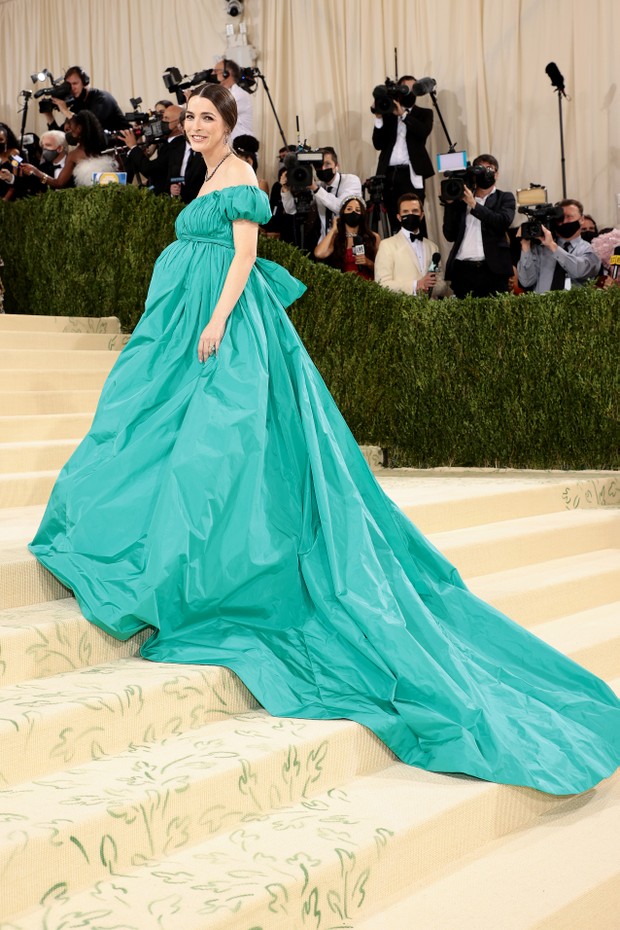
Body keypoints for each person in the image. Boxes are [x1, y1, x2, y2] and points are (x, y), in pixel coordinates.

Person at [29, 84, 620, 797]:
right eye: (191, 117)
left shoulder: (240, 176)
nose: (196, 125)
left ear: (230, 123)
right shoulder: (202, 172)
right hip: (181, 326)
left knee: (225, 452)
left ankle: (214, 564)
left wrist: (216, 322)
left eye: (208, 117)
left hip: (226, 328)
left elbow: (243, 258)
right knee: (150, 434)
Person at [442, 154, 515, 298]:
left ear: (497, 174)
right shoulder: (461, 199)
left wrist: (473, 204)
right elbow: (449, 235)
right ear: (474, 174)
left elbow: (502, 221)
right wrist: (450, 205)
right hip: (463, 270)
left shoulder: (505, 197)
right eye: (480, 169)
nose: (485, 172)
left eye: (489, 169)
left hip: (493, 271)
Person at [372, 74, 434, 233]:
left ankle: (421, 252)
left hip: (411, 174)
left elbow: (422, 132)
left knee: (414, 218)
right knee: (394, 217)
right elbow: (378, 144)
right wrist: (379, 117)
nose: (410, 93)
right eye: (406, 89)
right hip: (389, 174)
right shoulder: (388, 114)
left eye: (414, 89)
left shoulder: (424, 113)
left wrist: (403, 115)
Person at [281, 146, 363, 245]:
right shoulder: (319, 186)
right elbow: (291, 210)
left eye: (327, 164)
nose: (323, 168)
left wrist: (315, 189)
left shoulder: (351, 180)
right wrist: (286, 190)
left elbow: (342, 208)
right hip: (325, 244)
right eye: (319, 165)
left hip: (349, 242)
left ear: (337, 166)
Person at [517, 199, 602, 293]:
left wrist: (552, 246)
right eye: (560, 218)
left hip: (574, 306)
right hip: (542, 306)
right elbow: (526, 282)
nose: (564, 221)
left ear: (581, 219)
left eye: (569, 217)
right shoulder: (541, 248)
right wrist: (525, 246)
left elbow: (579, 270)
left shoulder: (591, 249)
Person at [375, 192, 448, 296]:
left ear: (421, 215)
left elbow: (441, 283)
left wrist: (430, 288)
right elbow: (381, 285)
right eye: (405, 212)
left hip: (431, 310)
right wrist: (416, 285)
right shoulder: (387, 245)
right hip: (402, 309)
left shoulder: (432, 247)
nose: (410, 215)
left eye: (414, 211)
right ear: (399, 217)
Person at [21, 111, 115, 189]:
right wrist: (36, 171)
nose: (69, 133)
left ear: (80, 128)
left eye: (70, 129)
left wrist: (65, 109)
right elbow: (59, 183)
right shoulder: (73, 155)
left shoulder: (106, 146)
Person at [313, 195, 380, 280]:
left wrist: (369, 263)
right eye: (349, 209)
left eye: (357, 210)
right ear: (342, 213)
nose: (353, 212)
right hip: (343, 288)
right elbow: (319, 253)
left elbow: (383, 270)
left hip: (368, 286)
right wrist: (333, 230)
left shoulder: (373, 237)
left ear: (363, 214)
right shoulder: (335, 238)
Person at [213, 58, 253, 140]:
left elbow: (215, 114)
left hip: (242, 147)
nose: (213, 74)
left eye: (216, 71)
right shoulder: (222, 93)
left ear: (227, 73)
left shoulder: (239, 94)